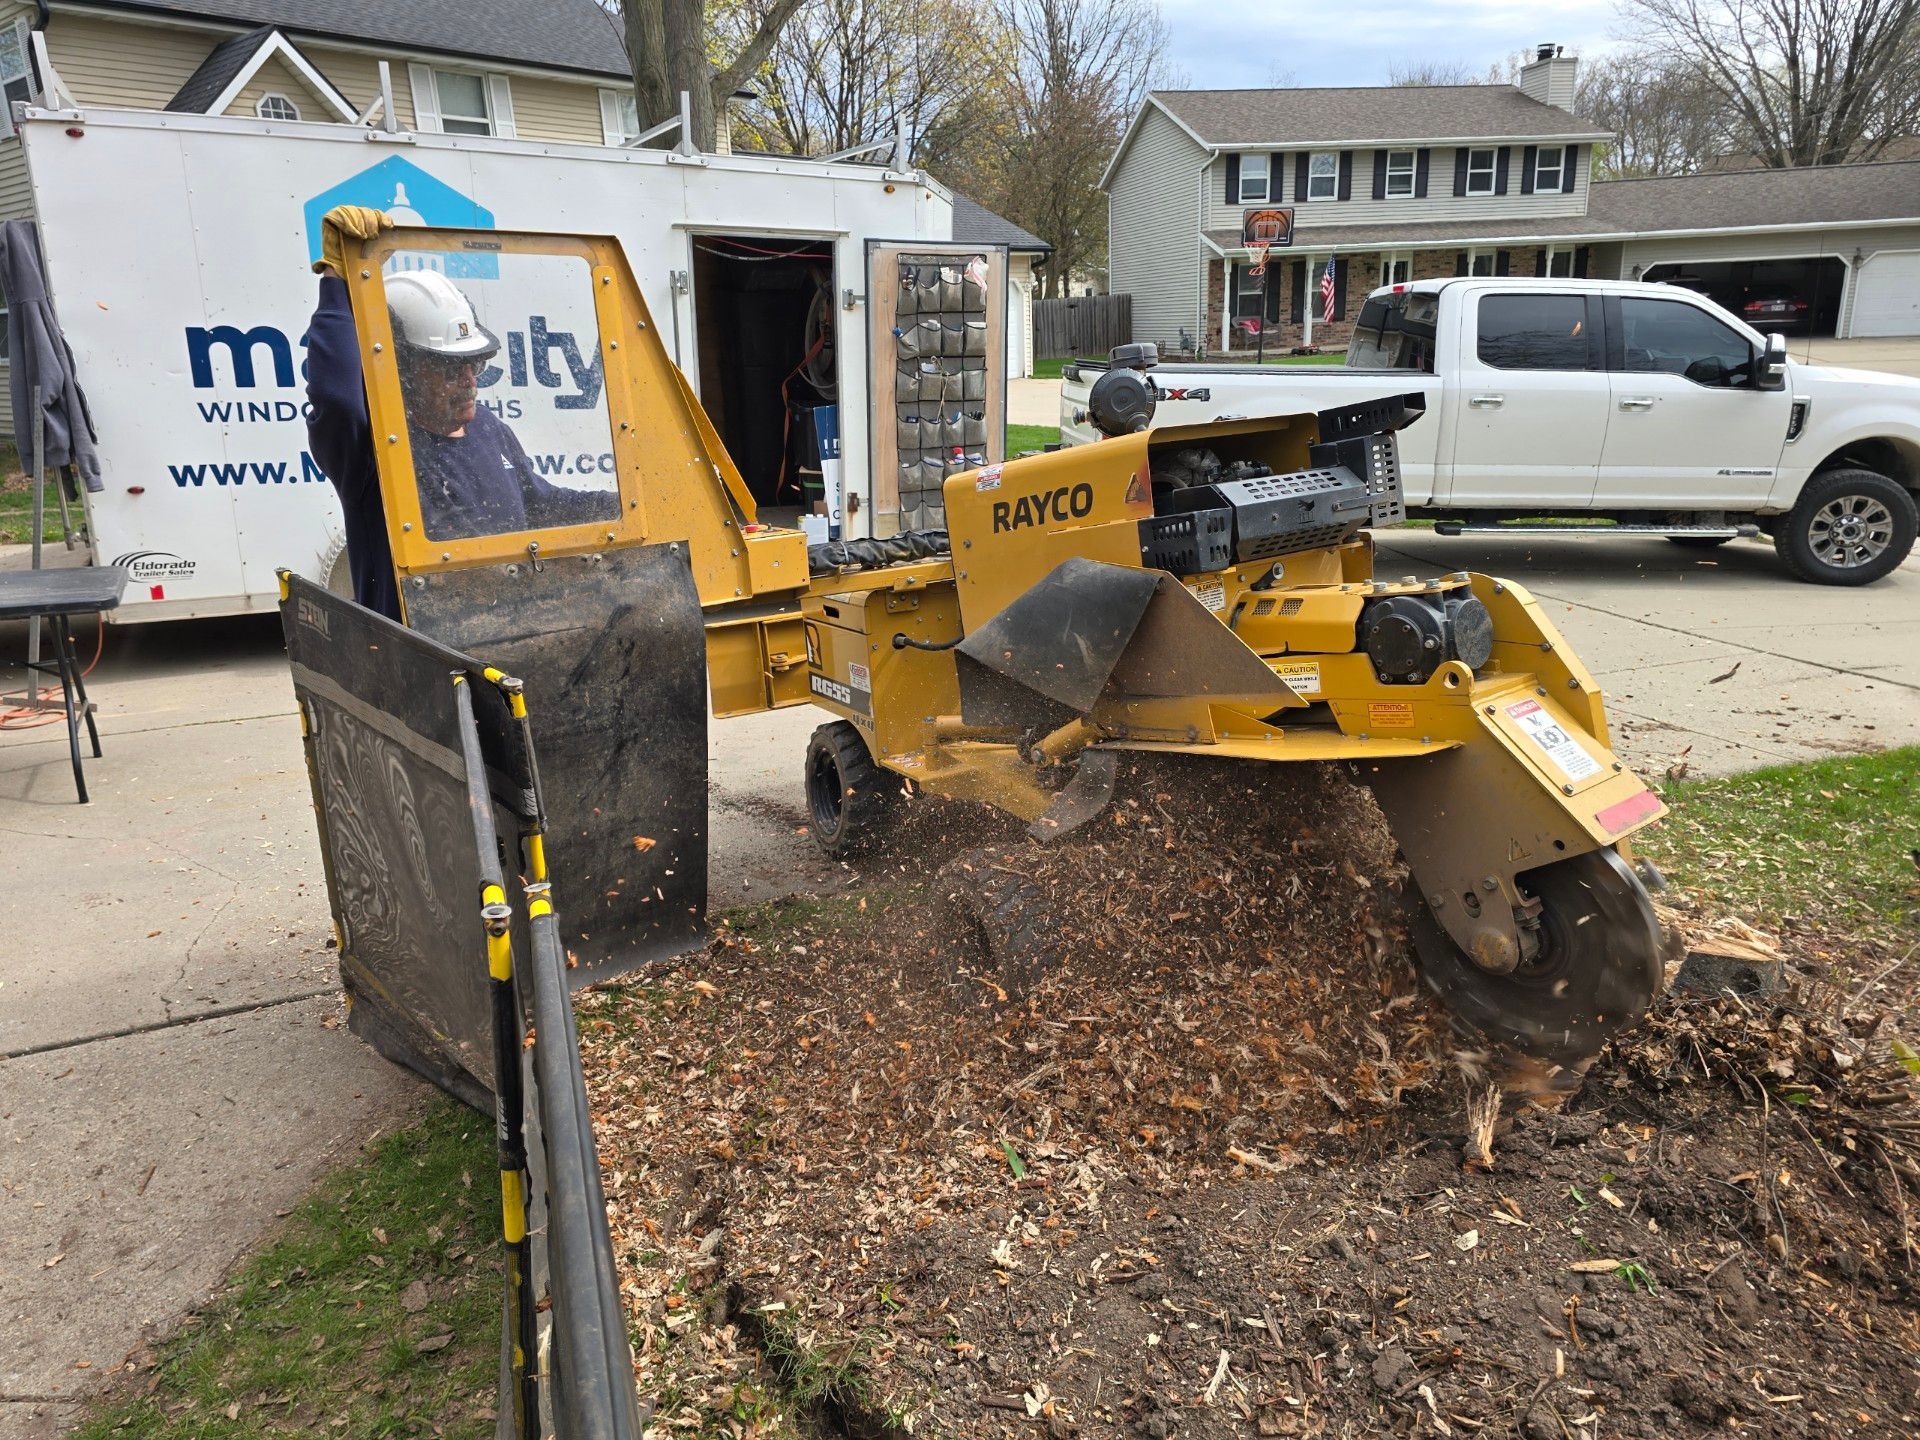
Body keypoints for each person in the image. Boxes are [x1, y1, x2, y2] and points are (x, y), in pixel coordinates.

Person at [304, 205, 616, 620]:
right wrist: (337, 282)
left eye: (475, 364)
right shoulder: (370, 448)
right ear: (402, 370)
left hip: (501, 632)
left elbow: (539, 502)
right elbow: (338, 398)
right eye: (450, 368)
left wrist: (627, 507)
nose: (470, 379)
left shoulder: (488, 427)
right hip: (420, 651)